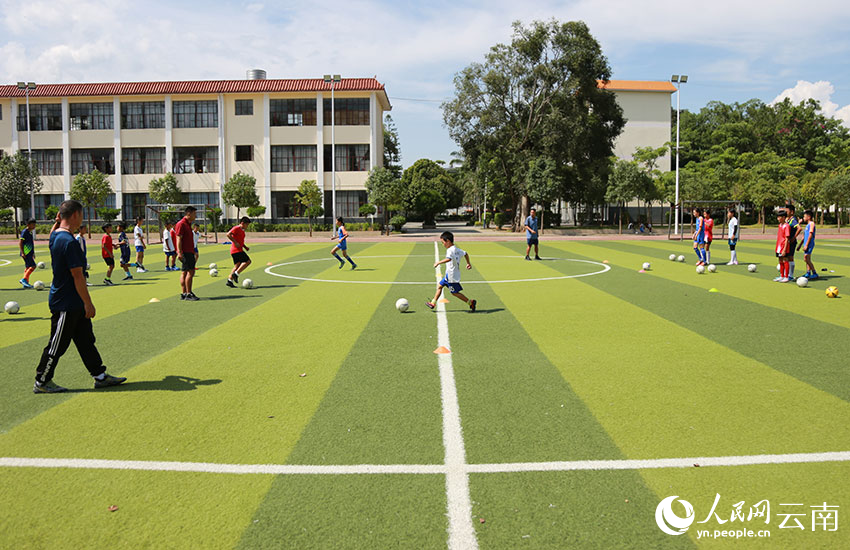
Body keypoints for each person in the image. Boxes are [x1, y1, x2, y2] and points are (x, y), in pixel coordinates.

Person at [33, 200, 126, 393]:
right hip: (66, 302)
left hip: (71, 301)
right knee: (57, 344)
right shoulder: (69, 242)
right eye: (82, 215)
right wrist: (88, 303)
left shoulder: (56, 236)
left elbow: (54, 230)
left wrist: (58, 220)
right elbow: (77, 275)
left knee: (85, 340)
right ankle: (41, 381)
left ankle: (99, 376)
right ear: (75, 215)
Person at [425, 231, 477, 312]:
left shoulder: (449, 250)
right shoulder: (457, 249)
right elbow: (466, 253)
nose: (443, 245)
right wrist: (468, 263)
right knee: (440, 286)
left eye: (443, 242)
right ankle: (433, 303)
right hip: (450, 275)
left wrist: (438, 262)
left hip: (451, 276)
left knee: (455, 293)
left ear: (448, 241)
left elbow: (449, 258)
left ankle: (471, 302)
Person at [175, 206, 199, 301]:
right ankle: (188, 293)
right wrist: (179, 252)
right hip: (186, 251)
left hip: (188, 251)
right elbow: (178, 238)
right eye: (194, 214)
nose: (195, 216)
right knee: (190, 271)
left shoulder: (188, 224)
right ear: (188, 213)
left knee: (184, 272)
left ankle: (184, 293)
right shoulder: (181, 224)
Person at [226, 216, 252, 288]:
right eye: (247, 225)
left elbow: (240, 241)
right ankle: (236, 274)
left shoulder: (242, 231)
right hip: (236, 250)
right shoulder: (236, 228)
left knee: (237, 266)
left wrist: (245, 247)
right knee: (248, 261)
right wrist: (235, 242)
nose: (247, 226)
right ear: (242, 223)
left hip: (237, 250)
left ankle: (229, 281)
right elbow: (228, 234)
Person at [798, 209, 817, 279]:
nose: (803, 218)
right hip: (806, 244)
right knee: (807, 259)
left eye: (804, 216)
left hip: (809, 244)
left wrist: (806, 245)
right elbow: (804, 237)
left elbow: (810, 234)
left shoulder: (811, 224)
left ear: (809, 217)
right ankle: (808, 272)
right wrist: (800, 245)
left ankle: (814, 272)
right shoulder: (807, 225)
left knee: (806, 259)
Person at [19, 218, 37, 289]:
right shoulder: (25, 232)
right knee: (33, 266)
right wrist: (23, 252)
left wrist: (33, 253)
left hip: (29, 253)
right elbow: (20, 242)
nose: (34, 226)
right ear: (28, 225)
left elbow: (31, 243)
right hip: (26, 253)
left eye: (35, 224)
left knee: (27, 267)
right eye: (33, 224)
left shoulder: (30, 232)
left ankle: (25, 283)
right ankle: (24, 279)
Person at [785, 204, 801, 279]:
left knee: (790, 257)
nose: (786, 212)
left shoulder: (793, 220)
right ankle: (786, 274)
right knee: (786, 257)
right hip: (787, 242)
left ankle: (790, 275)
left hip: (791, 242)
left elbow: (799, 228)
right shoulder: (788, 219)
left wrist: (794, 237)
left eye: (787, 211)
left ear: (792, 212)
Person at [774, 210, 791, 283]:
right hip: (779, 246)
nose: (778, 218)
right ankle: (782, 275)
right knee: (780, 260)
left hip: (784, 246)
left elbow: (787, 238)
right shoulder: (780, 225)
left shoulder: (786, 226)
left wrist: (784, 249)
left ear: (784, 217)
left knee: (785, 260)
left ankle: (786, 276)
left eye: (779, 217)